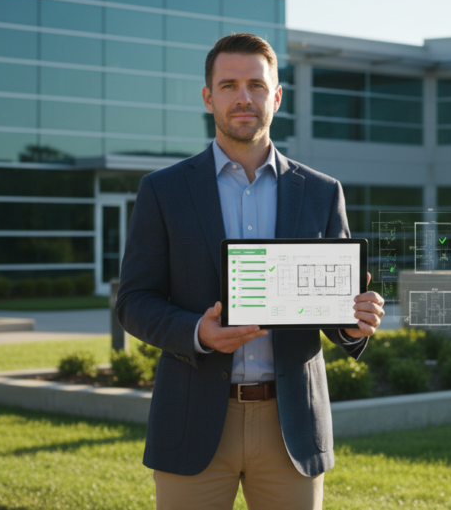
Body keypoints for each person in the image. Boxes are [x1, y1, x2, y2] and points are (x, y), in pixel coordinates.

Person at [116, 33, 385, 510]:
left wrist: (351, 321)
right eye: (229, 85)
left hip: (292, 428)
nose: (244, 97)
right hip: (192, 419)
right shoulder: (163, 191)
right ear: (208, 97)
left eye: (257, 85)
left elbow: (334, 307)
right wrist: (197, 331)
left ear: (277, 96)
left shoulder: (322, 192)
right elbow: (134, 301)